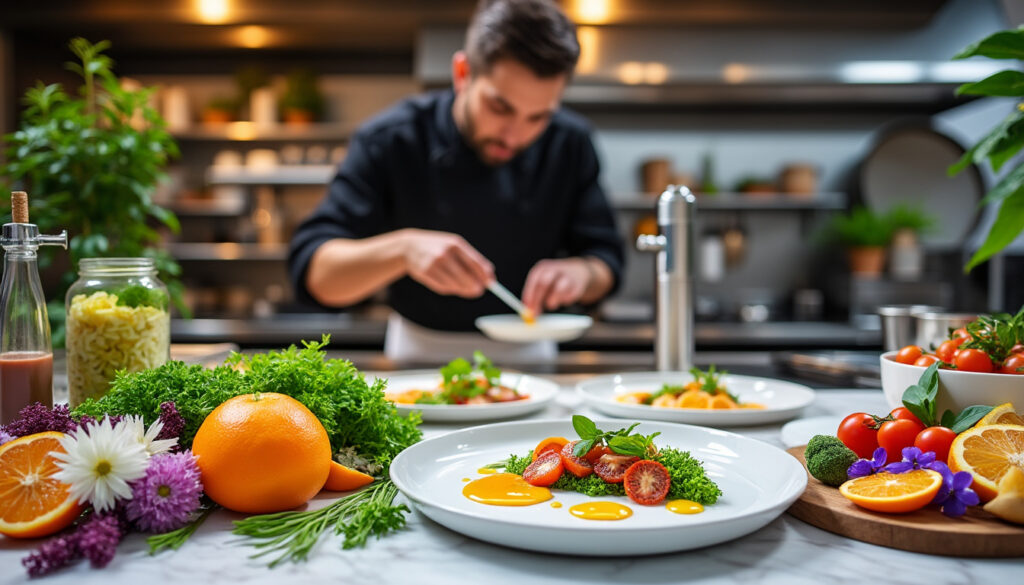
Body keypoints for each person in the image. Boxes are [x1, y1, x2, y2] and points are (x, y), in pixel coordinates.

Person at [288, 0, 624, 362]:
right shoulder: (391, 139)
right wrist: (403, 251)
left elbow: (606, 261)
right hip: (418, 355)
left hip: (532, 358)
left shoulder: (570, 142)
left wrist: (582, 273)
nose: (514, 136)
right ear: (462, 73)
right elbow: (315, 274)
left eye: (538, 117)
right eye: (500, 108)